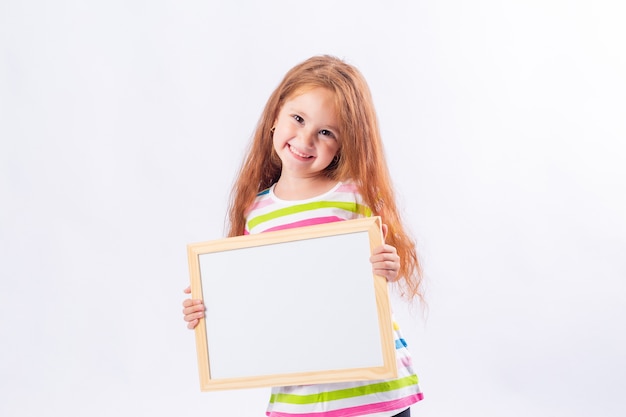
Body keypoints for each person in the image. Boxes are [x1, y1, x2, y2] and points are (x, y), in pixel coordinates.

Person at [182, 55, 424, 417]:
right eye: (298, 118)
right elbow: (252, 299)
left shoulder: (353, 197)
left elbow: (390, 264)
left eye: (326, 132)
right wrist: (208, 308)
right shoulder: (256, 213)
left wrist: (389, 263)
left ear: (345, 143)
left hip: (372, 394)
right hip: (299, 399)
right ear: (276, 115)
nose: (305, 138)